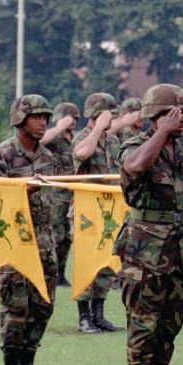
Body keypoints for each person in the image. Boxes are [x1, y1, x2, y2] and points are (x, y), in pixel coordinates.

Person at [117, 84, 183, 365]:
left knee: (168, 327)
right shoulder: (136, 144)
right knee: (143, 326)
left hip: (176, 250)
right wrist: (161, 134)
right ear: (156, 115)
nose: (182, 119)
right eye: (173, 113)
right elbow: (135, 167)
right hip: (145, 251)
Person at [0, 94, 61, 365]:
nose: (42, 122)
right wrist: (22, 192)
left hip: (43, 244)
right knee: (16, 309)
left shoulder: (48, 158)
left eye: (45, 117)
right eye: (36, 117)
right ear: (20, 120)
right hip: (11, 245)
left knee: (43, 307)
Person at [70, 92, 123, 334]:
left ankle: (98, 314)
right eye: (109, 114)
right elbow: (82, 154)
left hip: (110, 213)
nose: (113, 118)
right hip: (86, 213)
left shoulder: (112, 142)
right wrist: (98, 128)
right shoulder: (83, 138)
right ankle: (84, 317)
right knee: (86, 264)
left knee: (107, 265)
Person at [43, 101, 80, 288]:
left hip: (71, 192)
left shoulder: (75, 139)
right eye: (70, 118)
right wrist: (59, 127)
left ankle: (60, 274)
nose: (73, 121)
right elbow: (41, 141)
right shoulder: (53, 137)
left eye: (75, 118)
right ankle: (50, 273)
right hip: (55, 193)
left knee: (67, 236)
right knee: (56, 234)